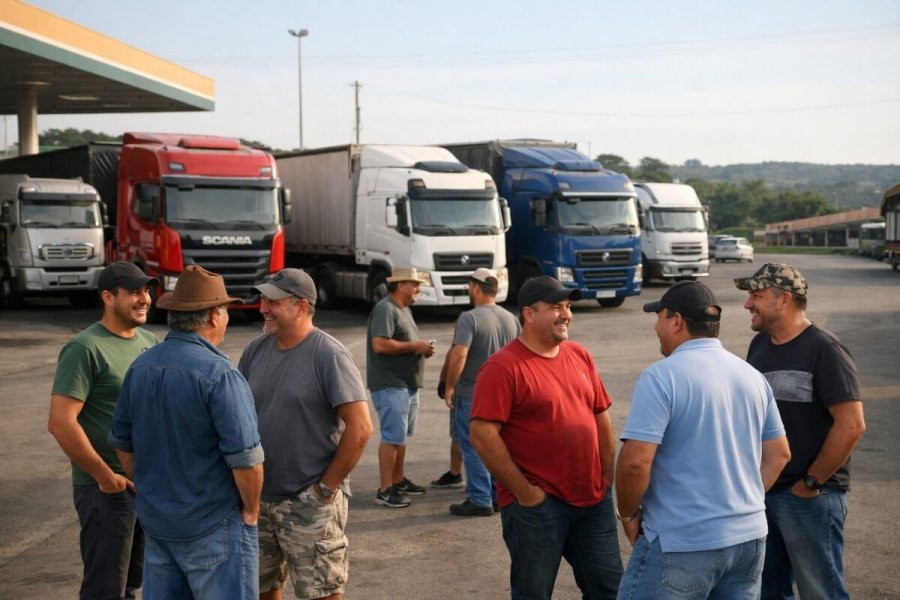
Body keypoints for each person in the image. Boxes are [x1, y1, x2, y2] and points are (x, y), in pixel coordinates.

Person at [615, 281, 791, 599]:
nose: (656, 326)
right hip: (748, 540)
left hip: (682, 541)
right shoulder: (751, 376)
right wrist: (739, 502)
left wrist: (628, 514)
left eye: (660, 316)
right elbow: (779, 455)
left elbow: (635, 461)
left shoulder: (662, 376)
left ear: (677, 321)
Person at [107, 265, 264, 600]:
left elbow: (122, 442)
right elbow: (246, 461)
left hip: (159, 522)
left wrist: (151, 491)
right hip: (214, 524)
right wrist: (250, 511)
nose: (225, 318)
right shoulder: (220, 374)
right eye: (224, 310)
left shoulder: (141, 366)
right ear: (211, 317)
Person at [470, 275, 622, 599]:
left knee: (609, 590)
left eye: (567, 306)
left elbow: (600, 417)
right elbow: (483, 435)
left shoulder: (579, 355)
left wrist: (606, 477)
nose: (566, 314)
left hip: (592, 501)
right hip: (538, 508)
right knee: (533, 594)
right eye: (555, 307)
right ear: (529, 314)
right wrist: (525, 492)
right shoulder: (502, 368)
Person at [238, 269, 373, 600]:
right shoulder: (255, 350)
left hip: (308, 501)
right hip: (259, 499)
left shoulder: (329, 355)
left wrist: (325, 489)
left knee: (322, 592)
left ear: (300, 306)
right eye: (263, 300)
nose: (263, 308)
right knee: (262, 588)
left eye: (272, 301)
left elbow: (361, 427)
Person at [735, 263, 866, 600]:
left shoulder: (825, 349)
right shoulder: (759, 346)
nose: (748, 304)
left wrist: (810, 483)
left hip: (810, 498)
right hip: (766, 492)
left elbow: (851, 424)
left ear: (785, 300)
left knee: (821, 592)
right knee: (769, 591)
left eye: (756, 295)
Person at [48, 261, 159, 600]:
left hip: (145, 484)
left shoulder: (150, 341)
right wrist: (104, 477)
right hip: (106, 490)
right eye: (134, 292)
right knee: (104, 590)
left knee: (130, 585)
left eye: (146, 291)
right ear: (108, 297)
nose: (144, 299)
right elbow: (60, 422)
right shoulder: (85, 348)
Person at [443, 268, 520, 517]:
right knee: (499, 445)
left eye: (469, 286)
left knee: (472, 445)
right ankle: (498, 495)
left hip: (473, 392)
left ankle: (479, 498)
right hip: (504, 394)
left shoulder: (469, 317)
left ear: (476, 288)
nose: (469, 291)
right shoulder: (511, 318)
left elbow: (460, 353)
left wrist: (449, 386)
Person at [366, 266, 436, 508]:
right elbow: (380, 345)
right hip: (391, 385)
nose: (418, 289)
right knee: (392, 438)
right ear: (400, 285)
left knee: (401, 437)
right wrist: (415, 347)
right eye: (414, 284)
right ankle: (385, 490)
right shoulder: (386, 308)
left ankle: (398, 480)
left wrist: (421, 349)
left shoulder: (403, 309)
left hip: (405, 385)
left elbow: (404, 343)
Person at [431, 362, 465, 490]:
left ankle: (480, 495)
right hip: (491, 386)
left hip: (467, 388)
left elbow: (457, 354)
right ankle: (455, 474)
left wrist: (447, 383)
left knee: (462, 438)